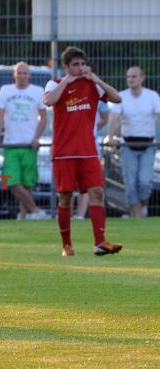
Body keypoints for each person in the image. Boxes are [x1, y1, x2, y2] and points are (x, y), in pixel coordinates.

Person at [44, 46, 123, 257]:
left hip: (88, 152)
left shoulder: (92, 85)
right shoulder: (55, 84)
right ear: (66, 67)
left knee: (97, 192)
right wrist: (67, 82)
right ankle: (67, 245)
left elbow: (117, 98)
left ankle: (100, 242)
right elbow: (49, 101)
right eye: (75, 65)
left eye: (82, 64)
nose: (80, 68)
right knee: (65, 198)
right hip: (64, 153)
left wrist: (97, 80)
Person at [0, 62, 48, 221]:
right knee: (11, 180)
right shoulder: (5, 90)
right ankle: (36, 210)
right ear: (14, 74)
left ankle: (23, 216)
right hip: (11, 143)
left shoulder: (37, 91)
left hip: (29, 144)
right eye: (19, 73)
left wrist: (37, 137)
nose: (22, 76)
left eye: (25, 73)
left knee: (27, 183)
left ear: (29, 75)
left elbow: (43, 117)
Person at [107, 65, 160, 218]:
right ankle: (138, 218)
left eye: (134, 76)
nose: (130, 79)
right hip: (128, 145)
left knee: (144, 182)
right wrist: (110, 136)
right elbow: (114, 118)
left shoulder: (152, 96)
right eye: (128, 77)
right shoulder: (121, 96)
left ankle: (143, 206)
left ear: (142, 78)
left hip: (148, 145)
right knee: (130, 184)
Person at [73, 62, 110, 220]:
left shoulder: (98, 94)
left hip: (90, 145)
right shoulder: (72, 91)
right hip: (71, 145)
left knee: (88, 181)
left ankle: (80, 214)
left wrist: (92, 128)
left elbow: (105, 117)